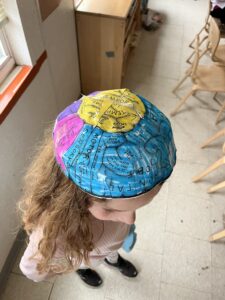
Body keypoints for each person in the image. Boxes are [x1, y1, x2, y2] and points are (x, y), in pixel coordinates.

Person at [18, 89, 176, 287]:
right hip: (84, 252)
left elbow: (123, 216)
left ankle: (113, 259)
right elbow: (32, 270)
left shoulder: (120, 211)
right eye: (112, 209)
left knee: (112, 248)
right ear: (74, 195)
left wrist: (113, 217)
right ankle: (84, 269)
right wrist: (71, 264)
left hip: (109, 244)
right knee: (87, 258)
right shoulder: (55, 233)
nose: (130, 219)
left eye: (136, 206)